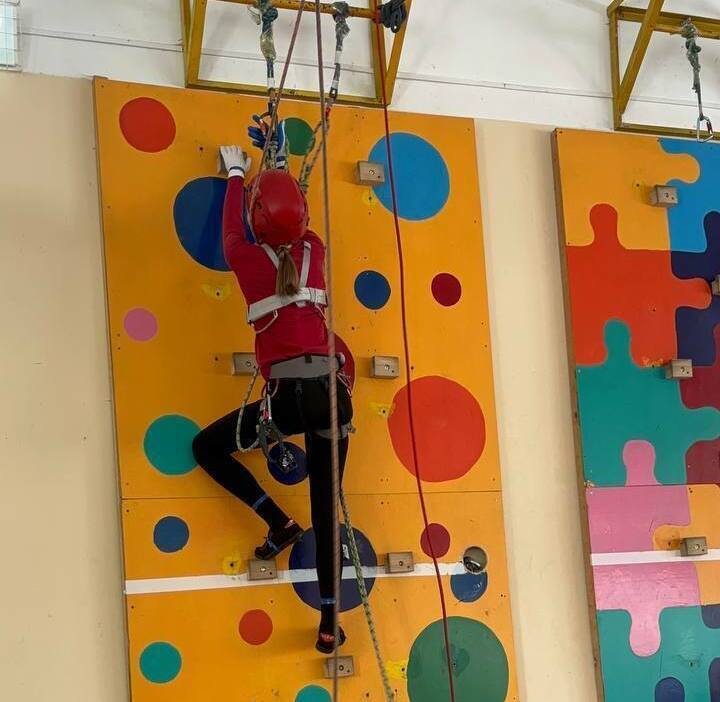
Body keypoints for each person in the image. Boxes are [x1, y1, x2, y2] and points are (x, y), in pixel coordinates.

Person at [192, 144, 353, 654]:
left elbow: (234, 230)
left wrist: (237, 172)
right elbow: (295, 226)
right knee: (326, 512)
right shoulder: (315, 251)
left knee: (207, 447)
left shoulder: (244, 258)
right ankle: (328, 622)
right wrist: (273, 165)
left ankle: (278, 521)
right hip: (332, 398)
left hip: (286, 401)